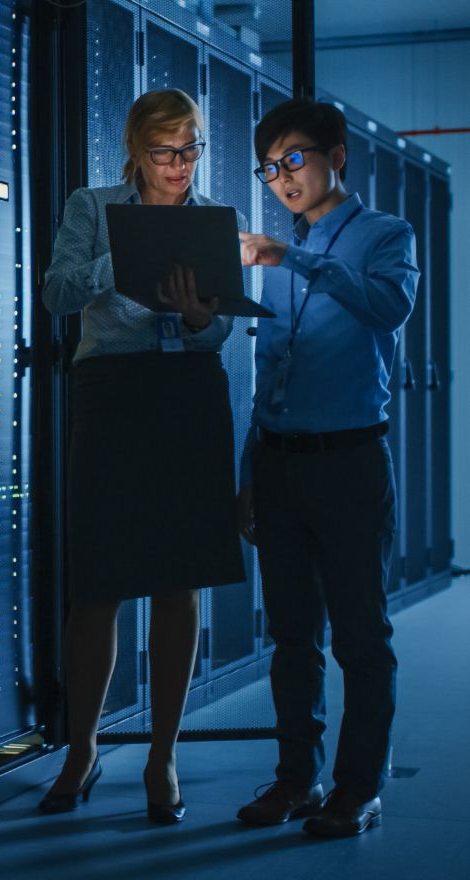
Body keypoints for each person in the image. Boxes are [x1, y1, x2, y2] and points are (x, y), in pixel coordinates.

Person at [38, 88, 245, 824]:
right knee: (98, 582)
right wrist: (118, 260)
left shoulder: (220, 220)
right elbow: (57, 292)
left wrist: (197, 319)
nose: (180, 166)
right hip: (112, 393)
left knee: (179, 580)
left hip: (187, 392)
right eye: (165, 153)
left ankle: (164, 756)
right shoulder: (92, 206)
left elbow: (219, 333)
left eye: (190, 150)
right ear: (135, 151)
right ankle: (83, 748)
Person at [235, 98, 419, 837]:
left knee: (360, 639)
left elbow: (389, 307)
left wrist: (295, 257)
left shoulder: (386, 234)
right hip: (279, 466)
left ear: (336, 156)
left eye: (295, 159)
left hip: (349, 462)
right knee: (292, 637)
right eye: (271, 166)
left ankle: (358, 788)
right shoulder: (274, 260)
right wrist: (249, 469)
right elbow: (270, 370)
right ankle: (294, 781)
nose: (282, 178)